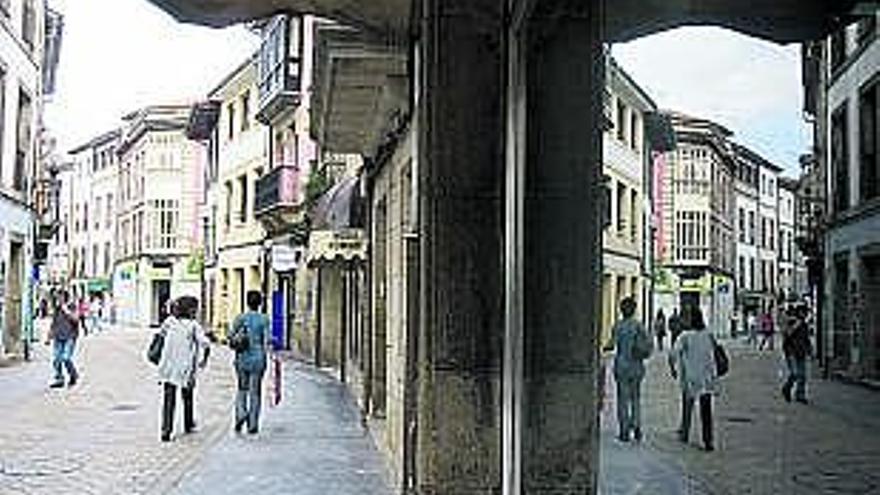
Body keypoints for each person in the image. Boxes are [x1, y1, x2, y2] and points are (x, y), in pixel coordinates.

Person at [157, 297, 210, 442]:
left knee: (169, 399)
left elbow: (160, 336)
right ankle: (188, 423)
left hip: (168, 366)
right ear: (191, 310)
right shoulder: (193, 326)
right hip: (185, 368)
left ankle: (165, 431)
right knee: (187, 396)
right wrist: (205, 359)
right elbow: (205, 343)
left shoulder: (169, 322)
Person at [669, 307, 718, 451]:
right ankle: (708, 440)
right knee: (706, 410)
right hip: (706, 377)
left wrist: (673, 367)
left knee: (687, 407)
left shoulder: (685, 336)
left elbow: (673, 353)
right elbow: (716, 349)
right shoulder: (708, 334)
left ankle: (684, 433)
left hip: (690, 377)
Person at [604, 297, 650, 442]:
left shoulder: (618, 326)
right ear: (634, 310)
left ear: (621, 310)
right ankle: (636, 426)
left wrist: (604, 347)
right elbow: (647, 344)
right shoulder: (639, 326)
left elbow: (611, 345)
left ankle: (624, 430)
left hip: (622, 366)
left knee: (623, 399)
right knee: (636, 397)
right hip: (637, 366)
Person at [231, 291, 272, 435]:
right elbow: (267, 341)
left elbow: (230, 337)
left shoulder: (240, 318)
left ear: (247, 302)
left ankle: (240, 413)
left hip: (242, 358)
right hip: (258, 358)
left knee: (242, 389)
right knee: (255, 392)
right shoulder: (264, 319)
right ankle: (253, 424)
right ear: (260, 303)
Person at [45, 291, 80, 388]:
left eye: (59, 297)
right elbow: (53, 323)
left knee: (66, 358)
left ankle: (73, 375)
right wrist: (49, 336)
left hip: (70, 336)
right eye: (57, 298)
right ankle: (59, 379)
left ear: (65, 297)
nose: (58, 299)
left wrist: (66, 310)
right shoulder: (57, 309)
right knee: (57, 359)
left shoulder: (72, 306)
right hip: (58, 336)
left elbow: (76, 319)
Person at [782, 306, 812, 404]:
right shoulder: (791, 322)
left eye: (805, 313)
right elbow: (787, 334)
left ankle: (800, 395)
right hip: (791, 352)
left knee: (802, 375)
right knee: (794, 373)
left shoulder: (804, 325)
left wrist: (809, 349)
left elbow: (806, 338)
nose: (804, 315)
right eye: (803, 312)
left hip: (801, 352)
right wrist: (796, 325)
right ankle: (787, 388)